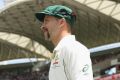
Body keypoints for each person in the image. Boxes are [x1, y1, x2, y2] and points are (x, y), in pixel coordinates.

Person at [35, 5, 93, 80]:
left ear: (61, 22)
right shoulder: (59, 52)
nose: (42, 26)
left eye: (46, 21)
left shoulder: (74, 48)